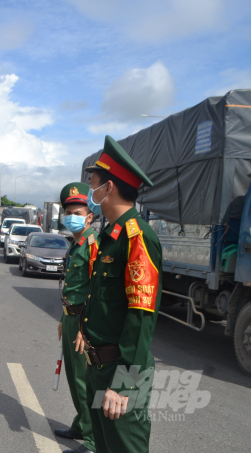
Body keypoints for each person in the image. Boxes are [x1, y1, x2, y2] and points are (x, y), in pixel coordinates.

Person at [74, 136, 162, 453]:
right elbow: (104, 301)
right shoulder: (111, 235)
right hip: (99, 368)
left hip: (121, 373)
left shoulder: (136, 236)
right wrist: (85, 330)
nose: (90, 192)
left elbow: (140, 317)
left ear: (108, 188)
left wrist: (125, 384)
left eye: (93, 184)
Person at [54, 183, 97, 453]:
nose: (71, 216)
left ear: (89, 216)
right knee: (72, 376)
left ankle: (93, 439)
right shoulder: (76, 244)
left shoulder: (93, 245)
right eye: (68, 211)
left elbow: (95, 290)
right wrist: (63, 319)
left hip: (84, 322)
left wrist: (84, 328)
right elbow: (72, 287)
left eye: (77, 211)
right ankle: (80, 424)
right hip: (70, 318)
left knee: (84, 380)